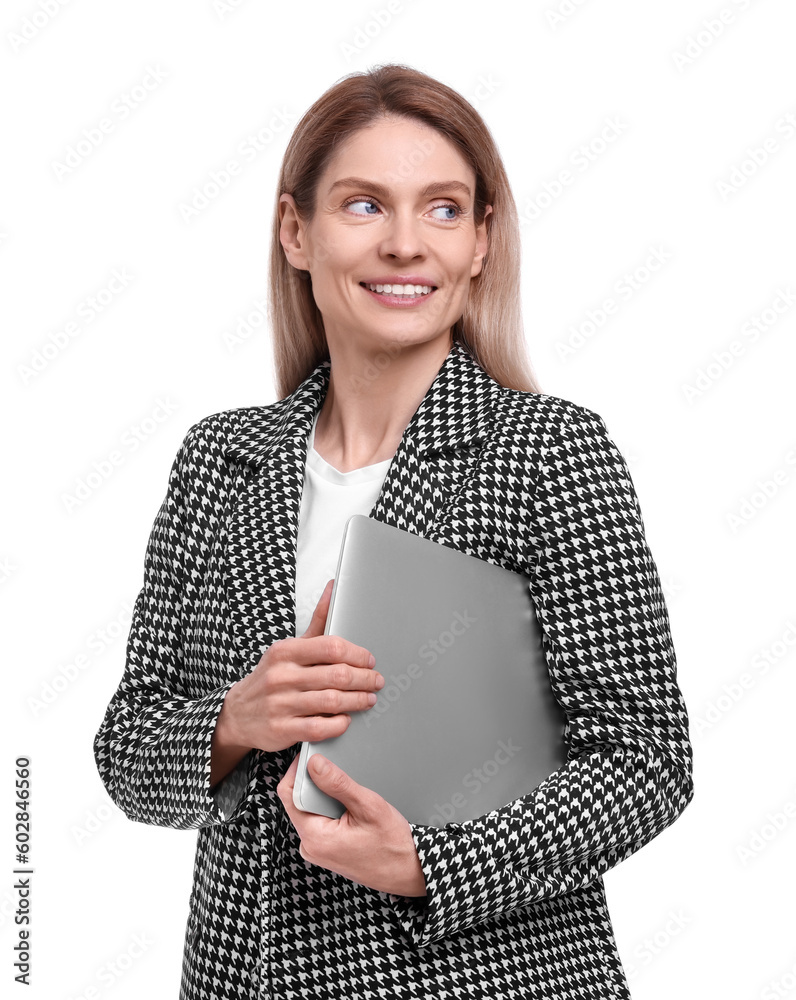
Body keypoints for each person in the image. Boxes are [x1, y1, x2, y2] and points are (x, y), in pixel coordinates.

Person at [93, 63, 695, 1000]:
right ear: (297, 231)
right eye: (364, 205)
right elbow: (129, 745)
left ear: (481, 241)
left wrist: (432, 865)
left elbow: (645, 762)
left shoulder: (549, 451)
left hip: (482, 980)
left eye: (443, 209)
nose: (406, 244)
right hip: (243, 976)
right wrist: (234, 720)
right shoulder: (220, 459)